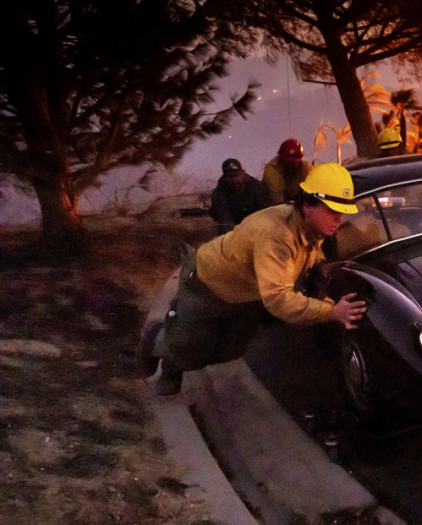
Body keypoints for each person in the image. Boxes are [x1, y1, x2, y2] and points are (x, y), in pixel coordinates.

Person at [138, 163, 368, 396]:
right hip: (205, 283)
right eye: (332, 211)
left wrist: (319, 264)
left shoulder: (310, 225)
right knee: (191, 349)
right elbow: (278, 299)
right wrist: (330, 312)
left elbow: (309, 250)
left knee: (230, 351)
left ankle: (178, 339)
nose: (339, 219)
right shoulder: (277, 236)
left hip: (242, 292)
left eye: (342, 212)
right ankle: (158, 340)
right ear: (308, 204)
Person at [210, 158, 269, 235]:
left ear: (243, 173)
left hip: (254, 222)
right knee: (224, 226)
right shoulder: (220, 191)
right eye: (230, 176)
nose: (234, 180)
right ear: (225, 177)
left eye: (237, 175)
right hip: (233, 226)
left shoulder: (256, 187)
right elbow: (221, 214)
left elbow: (264, 210)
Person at [262, 138, 312, 204]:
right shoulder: (271, 170)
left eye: (293, 163)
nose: (290, 165)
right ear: (280, 159)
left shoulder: (307, 167)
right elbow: (277, 202)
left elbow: (315, 191)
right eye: (287, 162)